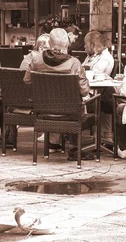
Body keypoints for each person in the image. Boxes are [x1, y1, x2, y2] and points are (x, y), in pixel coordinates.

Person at [24, 28, 91, 161]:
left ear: (49, 42)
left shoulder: (37, 60)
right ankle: (74, 147)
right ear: (67, 44)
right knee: (81, 104)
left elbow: (27, 81)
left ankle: (54, 143)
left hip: (43, 111)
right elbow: (84, 91)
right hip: (69, 113)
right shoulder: (74, 63)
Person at [81, 30, 115, 145]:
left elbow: (94, 73)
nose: (84, 46)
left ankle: (72, 135)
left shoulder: (105, 57)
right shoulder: (91, 56)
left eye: (86, 43)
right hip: (90, 89)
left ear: (92, 44)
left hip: (96, 92)